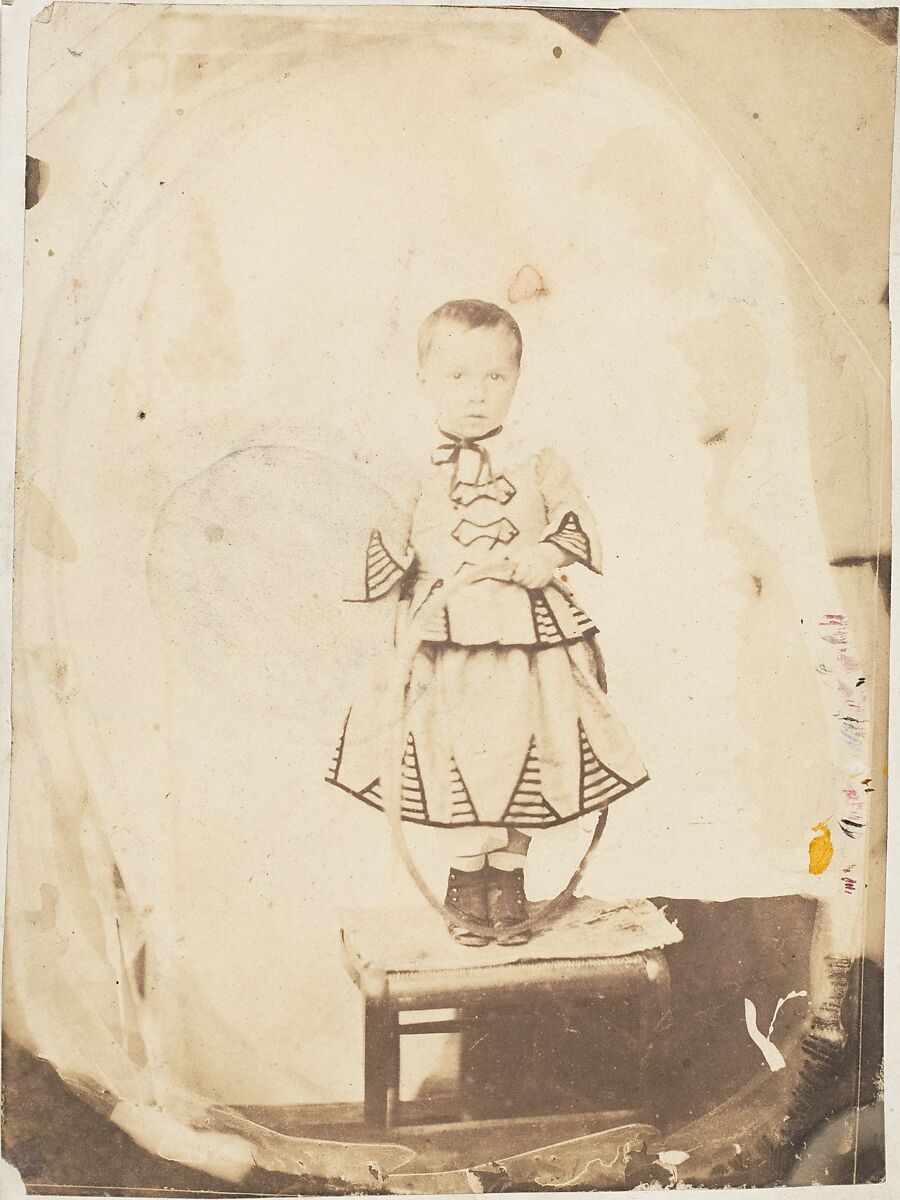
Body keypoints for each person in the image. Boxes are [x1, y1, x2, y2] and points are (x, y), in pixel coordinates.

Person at [326, 299, 648, 946]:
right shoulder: (407, 466)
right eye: (458, 377)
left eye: (494, 378)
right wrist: (391, 618)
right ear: (424, 380)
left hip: (532, 638)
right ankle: (465, 877)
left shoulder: (539, 459)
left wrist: (544, 555)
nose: (477, 394)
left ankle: (510, 878)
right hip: (449, 642)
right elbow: (381, 552)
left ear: (516, 380)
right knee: (464, 753)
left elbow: (574, 524)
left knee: (531, 745)